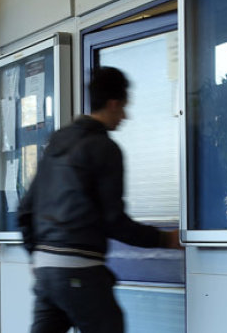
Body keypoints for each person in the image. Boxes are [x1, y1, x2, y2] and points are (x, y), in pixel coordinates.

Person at [17, 67, 181, 333]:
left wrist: (36, 256)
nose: (125, 116)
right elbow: (113, 220)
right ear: (113, 104)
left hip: (46, 270)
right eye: (124, 107)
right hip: (79, 267)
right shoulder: (104, 148)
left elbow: (25, 210)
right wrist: (164, 240)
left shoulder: (57, 143)